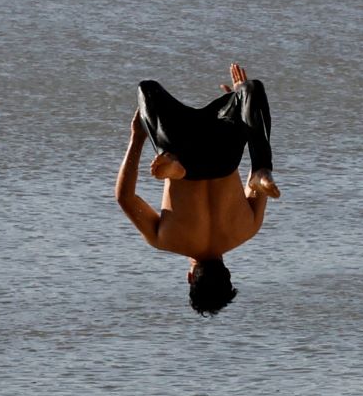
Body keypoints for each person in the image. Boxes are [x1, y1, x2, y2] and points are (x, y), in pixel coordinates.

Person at [117, 64, 279, 315]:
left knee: (251, 89)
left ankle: (261, 168)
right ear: (190, 277)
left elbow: (253, 177)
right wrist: (137, 137)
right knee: (147, 89)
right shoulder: (164, 239)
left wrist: (240, 104)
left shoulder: (248, 228)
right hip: (179, 150)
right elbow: (125, 197)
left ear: (228, 273)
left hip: (224, 154)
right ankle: (175, 169)